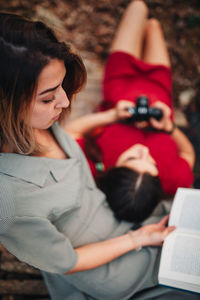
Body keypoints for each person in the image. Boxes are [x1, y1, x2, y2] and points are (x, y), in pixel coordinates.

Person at [0, 2, 198, 300]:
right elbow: (69, 262)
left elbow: (71, 136)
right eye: (48, 97)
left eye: (62, 87)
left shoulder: (38, 122)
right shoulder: (9, 201)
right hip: (116, 268)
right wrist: (138, 238)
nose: (66, 102)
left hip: (126, 219)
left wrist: (112, 116)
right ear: (6, 106)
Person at [65, 0, 195, 223]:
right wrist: (169, 127)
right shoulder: (172, 181)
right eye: (153, 164)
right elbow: (188, 155)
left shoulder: (97, 167)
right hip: (159, 89)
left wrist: (112, 115)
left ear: (112, 171)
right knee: (153, 25)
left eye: (133, 157)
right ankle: (154, 21)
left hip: (120, 83)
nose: (144, 150)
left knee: (138, 7)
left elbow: (70, 132)